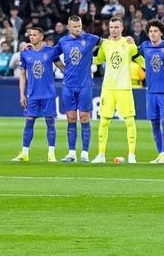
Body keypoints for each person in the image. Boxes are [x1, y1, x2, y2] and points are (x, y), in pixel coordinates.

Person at [93, 15, 140, 164]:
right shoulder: (105, 44)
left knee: (129, 121)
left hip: (124, 88)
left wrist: (154, 67)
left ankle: (132, 155)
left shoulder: (128, 43)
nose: (113, 30)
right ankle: (101, 155)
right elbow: (98, 60)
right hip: (108, 88)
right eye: (111, 27)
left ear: (122, 28)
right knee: (104, 122)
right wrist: (83, 56)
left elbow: (140, 59)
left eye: (116, 27)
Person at [55, 14, 100, 162]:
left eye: (79, 26)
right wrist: (63, 69)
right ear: (69, 27)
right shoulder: (63, 41)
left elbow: (108, 42)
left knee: (84, 117)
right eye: (74, 27)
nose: (77, 29)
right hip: (68, 85)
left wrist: (126, 40)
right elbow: (53, 55)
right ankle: (72, 153)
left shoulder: (90, 39)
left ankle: (85, 154)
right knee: (71, 118)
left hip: (85, 85)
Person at [13, 26, 60, 162]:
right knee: (29, 122)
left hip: (48, 94)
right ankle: (24, 153)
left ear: (41, 37)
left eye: (34, 35)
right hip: (32, 94)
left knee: (50, 123)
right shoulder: (25, 53)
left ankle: (51, 154)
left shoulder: (51, 52)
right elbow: (22, 75)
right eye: (30, 35)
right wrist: (22, 94)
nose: (31, 37)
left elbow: (61, 66)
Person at [138, 19, 164, 163]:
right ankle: (160, 155)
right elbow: (132, 54)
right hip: (151, 91)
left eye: (155, 31)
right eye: (150, 31)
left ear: (161, 32)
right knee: (154, 123)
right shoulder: (144, 46)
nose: (153, 34)